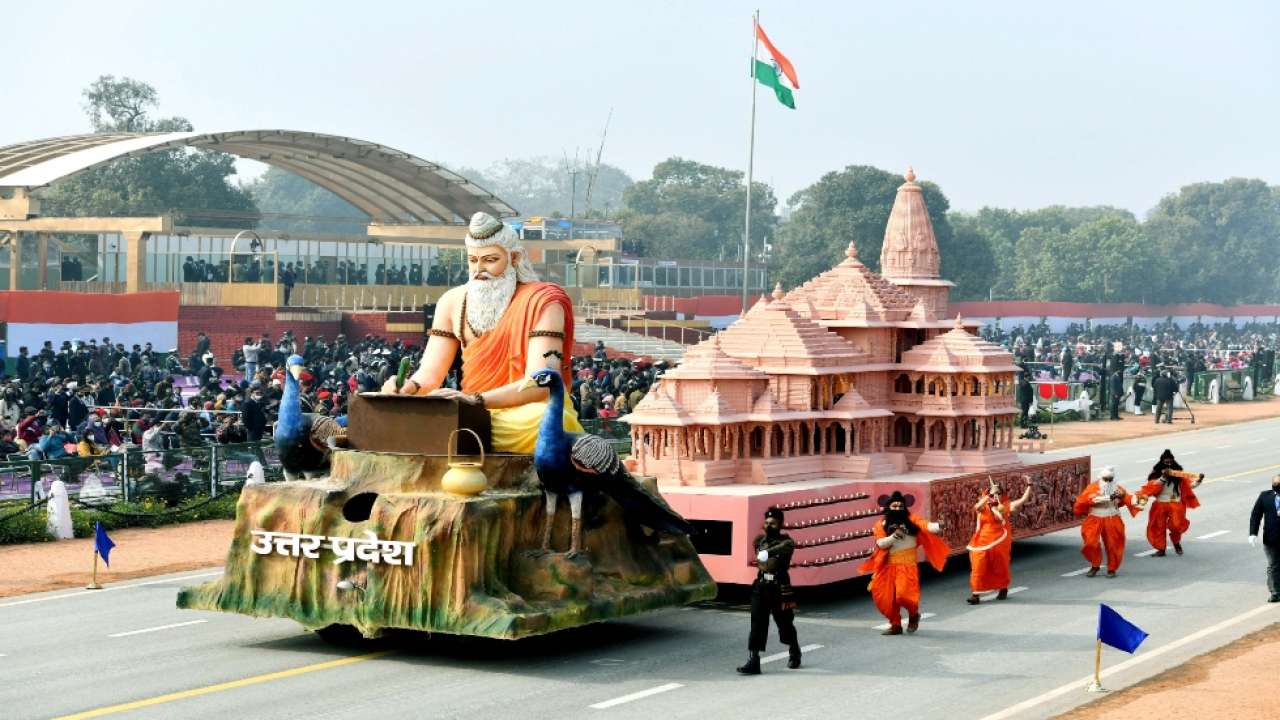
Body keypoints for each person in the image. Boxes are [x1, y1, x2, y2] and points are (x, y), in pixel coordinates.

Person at [381, 212, 582, 453]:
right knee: (399, 414)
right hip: (469, 410)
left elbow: (541, 384)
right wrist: (409, 388)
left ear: (514, 258)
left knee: (549, 421)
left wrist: (476, 400)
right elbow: (430, 375)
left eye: (490, 260)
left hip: (522, 412)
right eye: (473, 260)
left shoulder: (544, 301)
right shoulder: (452, 301)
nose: (479, 269)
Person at [858, 491, 948, 635]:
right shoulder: (881, 524)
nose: (898, 508)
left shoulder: (912, 519)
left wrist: (940, 525)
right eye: (895, 506)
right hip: (887, 566)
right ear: (888, 507)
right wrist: (894, 536)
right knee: (885, 598)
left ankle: (913, 614)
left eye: (901, 506)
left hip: (908, 566)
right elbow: (881, 544)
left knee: (903, 595)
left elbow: (926, 525)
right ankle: (895, 625)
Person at [737, 507, 802, 675]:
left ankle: (794, 649)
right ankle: (754, 660)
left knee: (784, 622)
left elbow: (784, 548)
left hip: (780, 587)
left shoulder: (787, 542)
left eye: (772, 523)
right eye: (766, 523)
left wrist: (768, 552)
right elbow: (762, 559)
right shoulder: (759, 540)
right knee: (757, 622)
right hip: (761, 585)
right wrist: (764, 551)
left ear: (780, 524)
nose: (768, 525)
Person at [966, 477, 1033, 604]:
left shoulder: (1005, 505)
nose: (996, 496)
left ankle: (1003, 587)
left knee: (1000, 566)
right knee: (978, 566)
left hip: (999, 541)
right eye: (994, 493)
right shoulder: (984, 506)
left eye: (998, 493)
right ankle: (975, 594)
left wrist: (1030, 484)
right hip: (981, 541)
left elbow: (1023, 500)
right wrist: (989, 496)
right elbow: (976, 507)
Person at [1073, 466, 1141, 577]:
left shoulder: (1118, 488)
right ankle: (1095, 565)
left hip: (1112, 518)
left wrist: (1126, 497)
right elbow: (1086, 499)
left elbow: (1129, 499)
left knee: (1113, 544)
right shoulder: (1093, 487)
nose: (1108, 481)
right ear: (1101, 478)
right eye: (1106, 479)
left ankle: (1112, 568)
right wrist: (1105, 497)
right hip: (1095, 518)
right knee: (1090, 542)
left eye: (1110, 479)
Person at [1135, 449, 1202, 556]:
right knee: (1159, 526)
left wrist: (1198, 481)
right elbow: (1151, 487)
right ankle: (1161, 549)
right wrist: (1163, 478)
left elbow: (1189, 485)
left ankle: (1176, 542)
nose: (1169, 464)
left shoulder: (1179, 475)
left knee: (1176, 525)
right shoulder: (1155, 474)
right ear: (1162, 462)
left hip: (1175, 503)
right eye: (1166, 462)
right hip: (1160, 504)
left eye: (1170, 462)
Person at [1247, 475, 1280, 603]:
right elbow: (1256, 515)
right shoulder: (1264, 496)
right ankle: (1275, 592)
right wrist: (1253, 533)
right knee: (1273, 565)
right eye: (1276, 483)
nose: (1277, 485)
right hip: (1271, 538)